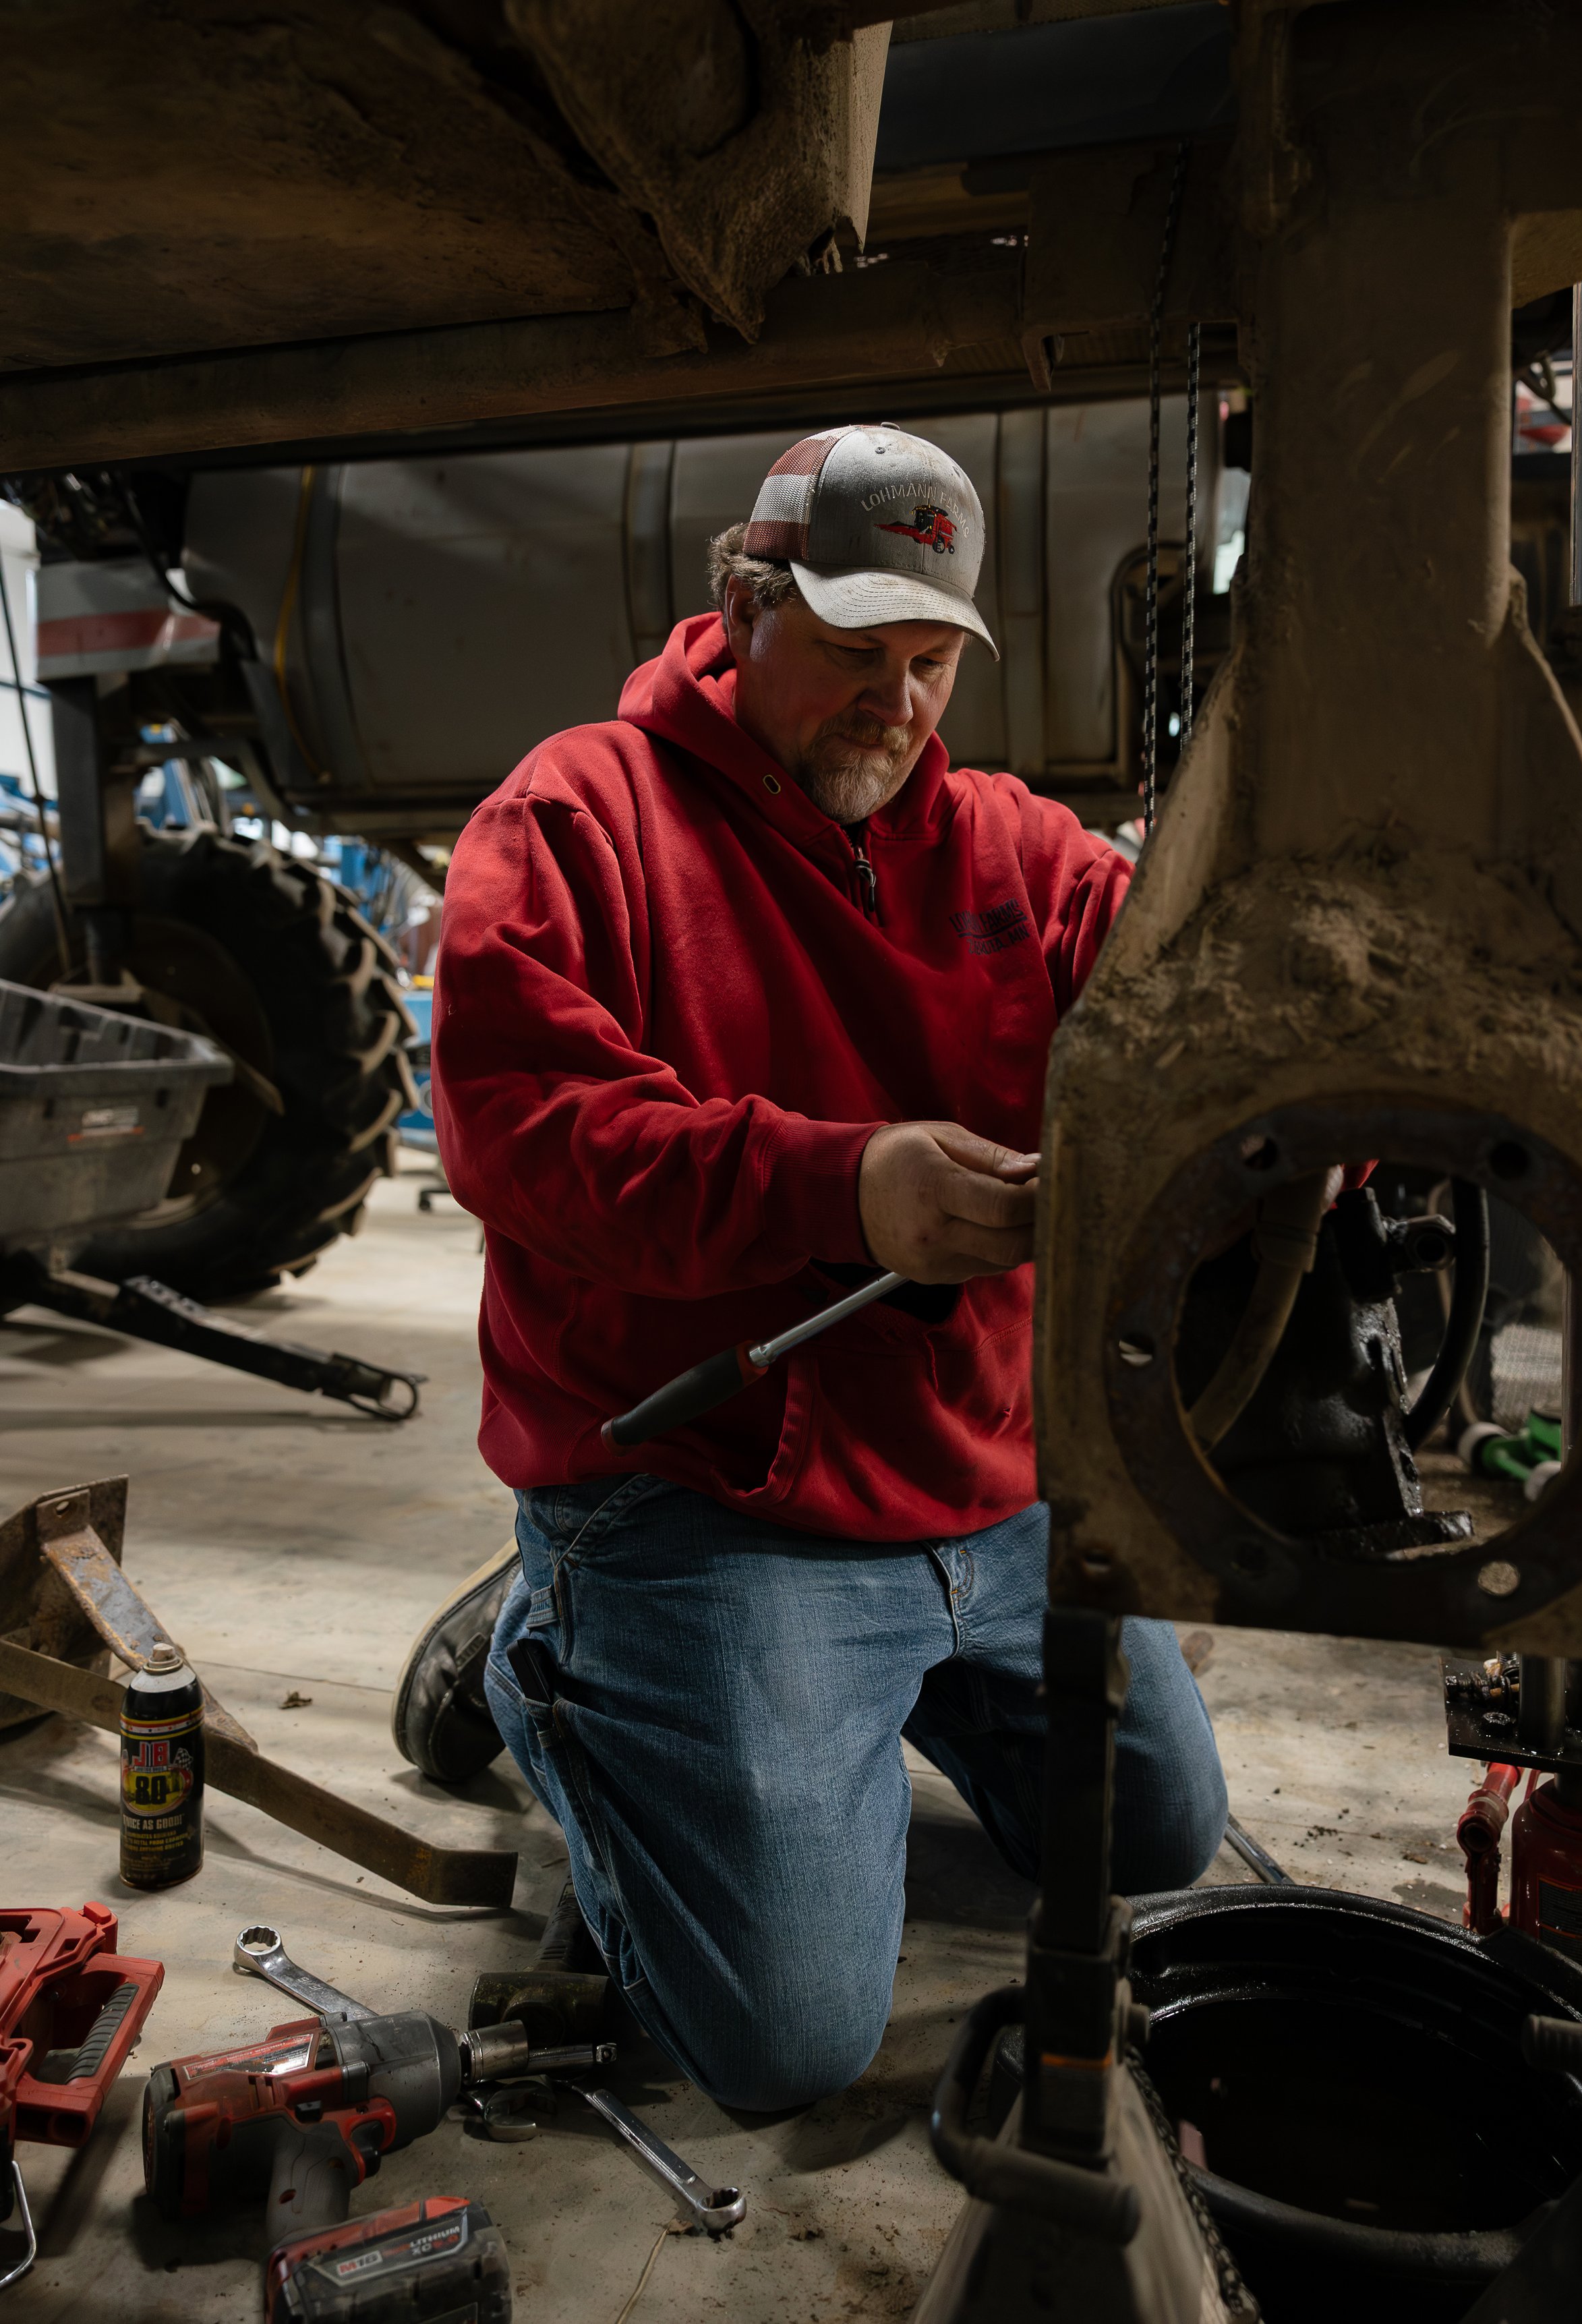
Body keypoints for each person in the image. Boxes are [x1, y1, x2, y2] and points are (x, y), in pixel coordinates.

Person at [419, 423, 1227, 2109]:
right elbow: (521, 1131)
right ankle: (552, 1648)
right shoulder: (577, 817)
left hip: (983, 1495)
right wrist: (836, 1187)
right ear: (742, 604)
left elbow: (1195, 1012)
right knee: (786, 2043)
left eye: (931, 661)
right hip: (713, 1492)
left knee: (1160, 1836)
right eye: (856, 651)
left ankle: (829, 1701)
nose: (896, 703)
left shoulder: (1016, 852)